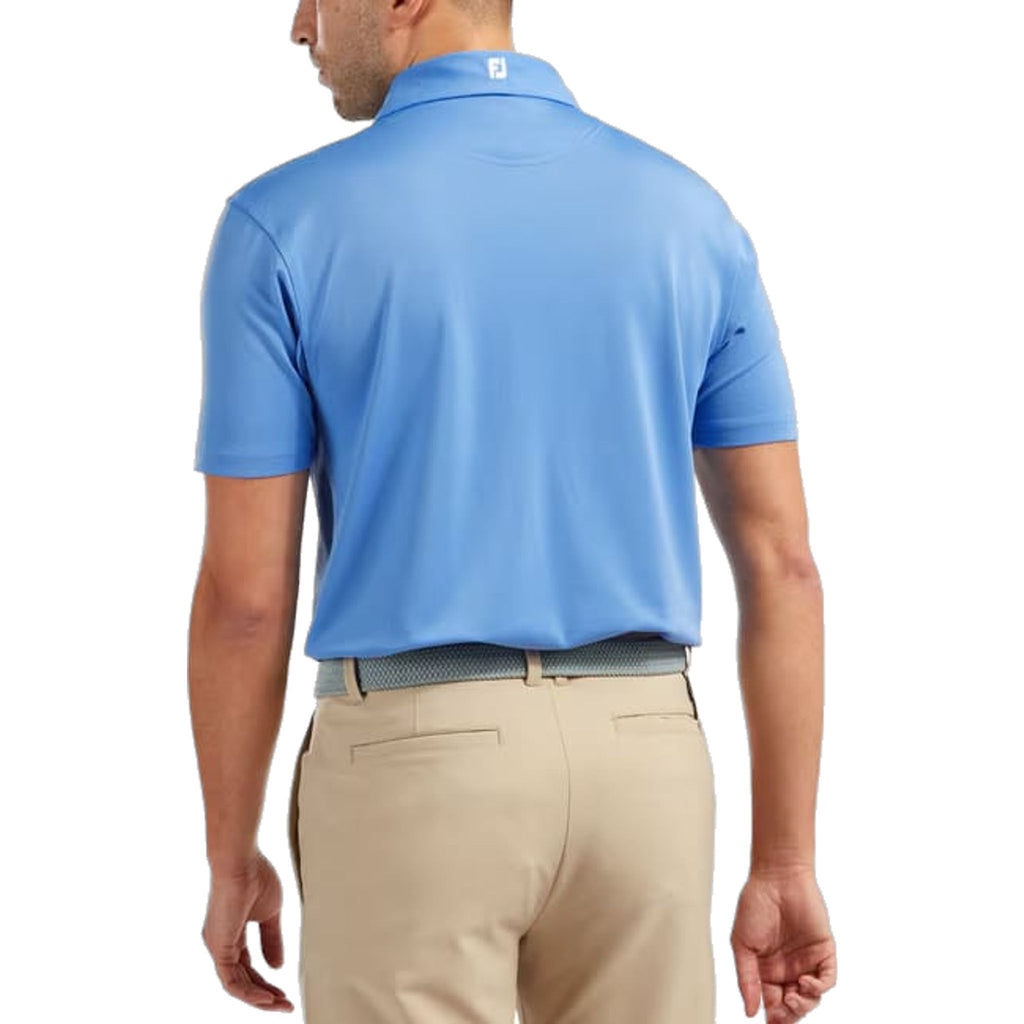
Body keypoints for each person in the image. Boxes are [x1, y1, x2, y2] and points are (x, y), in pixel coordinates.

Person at [188, 1, 837, 1021]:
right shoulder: (689, 215)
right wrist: (786, 859)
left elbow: (246, 598)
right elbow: (782, 562)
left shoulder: (284, 222)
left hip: (414, 766)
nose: (300, 26)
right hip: (648, 760)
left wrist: (231, 854)